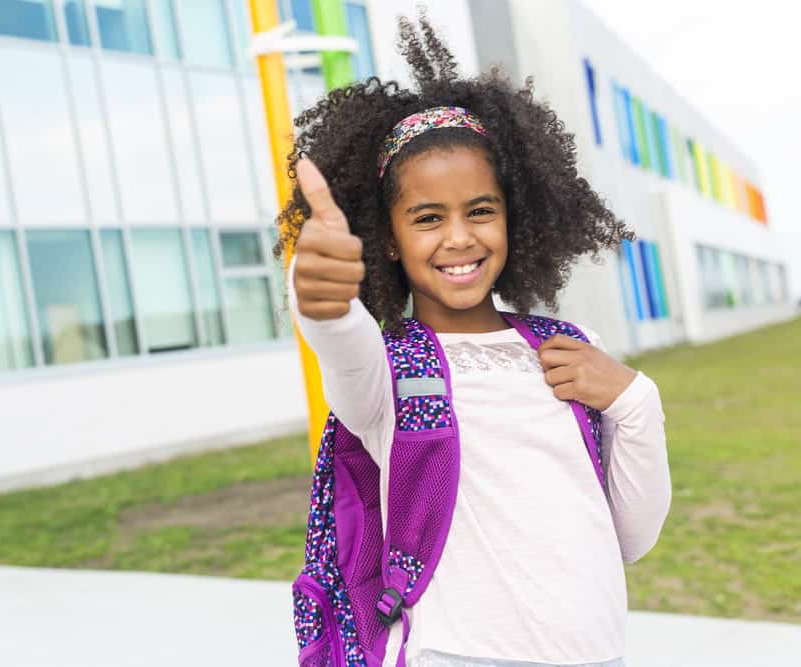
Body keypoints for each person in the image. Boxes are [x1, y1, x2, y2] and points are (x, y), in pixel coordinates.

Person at [274, 12, 671, 667]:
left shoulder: (570, 347)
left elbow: (630, 537)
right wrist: (318, 287)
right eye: (428, 218)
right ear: (388, 240)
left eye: (480, 210)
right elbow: (338, 334)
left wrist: (634, 400)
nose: (459, 236)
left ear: (515, 214)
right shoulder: (384, 372)